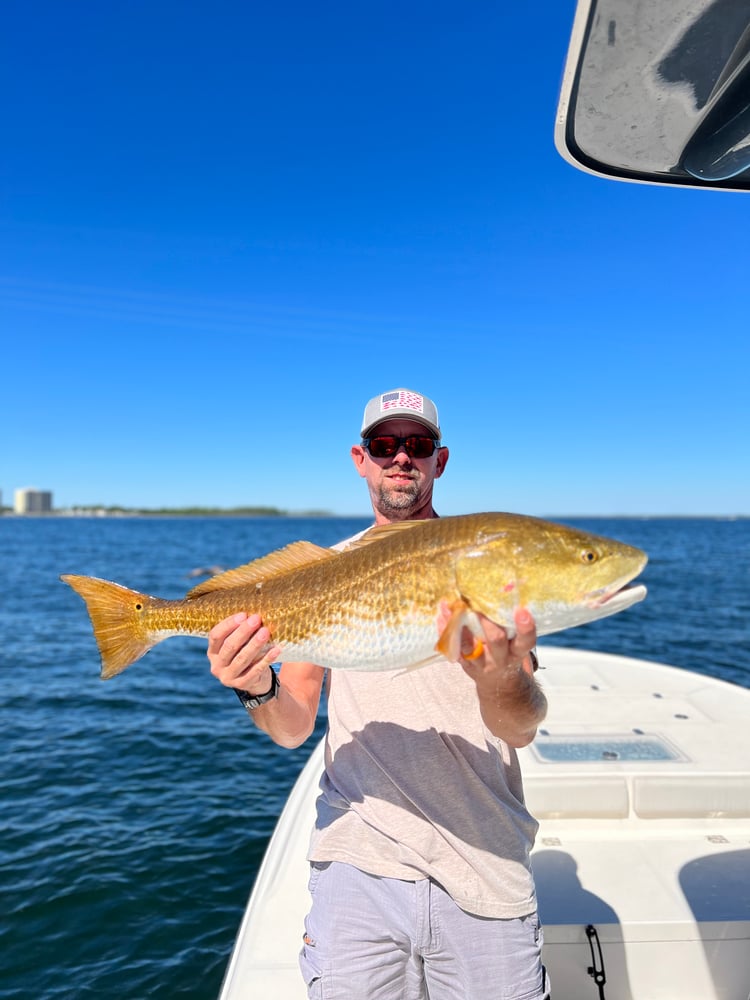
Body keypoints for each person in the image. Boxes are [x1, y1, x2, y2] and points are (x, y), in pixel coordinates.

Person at [208, 388, 550, 1000]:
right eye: (383, 445)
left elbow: (520, 728)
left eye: (416, 446)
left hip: (485, 858)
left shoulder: (485, 564)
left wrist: (497, 678)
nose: (400, 459)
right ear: (360, 459)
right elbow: (292, 728)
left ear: (439, 462)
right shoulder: (318, 578)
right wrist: (256, 686)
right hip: (357, 856)